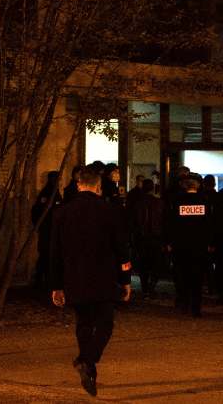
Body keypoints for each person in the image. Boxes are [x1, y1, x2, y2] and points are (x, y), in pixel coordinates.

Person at [50, 168, 133, 396]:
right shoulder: (111, 211)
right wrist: (125, 279)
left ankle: (87, 365)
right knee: (105, 324)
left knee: (83, 322)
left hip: (74, 277)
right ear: (98, 187)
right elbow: (122, 248)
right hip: (104, 278)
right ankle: (88, 360)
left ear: (78, 185)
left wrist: (56, 285)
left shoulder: (62, 212)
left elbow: (54, 252)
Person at [166, 174, 213, 316]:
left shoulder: (177, 201)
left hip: (181, 244)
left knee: (183, 275)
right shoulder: (204, 202)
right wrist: (210, 243)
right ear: (198, 186)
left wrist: (169, 242)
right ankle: (196, 308)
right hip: (199, 245)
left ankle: (184, 304)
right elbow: (209, 225)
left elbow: (170, 224)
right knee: (197, 277)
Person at [129, 177, 164, 296]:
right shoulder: (159, 203)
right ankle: (152, 286)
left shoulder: (137, 204)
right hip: (156, 237)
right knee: (155, 264)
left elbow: (134, 222)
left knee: (143, 264)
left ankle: (144, 287)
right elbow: (163, 221)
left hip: (142, 238)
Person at [31, 171, 63, 291]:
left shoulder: (53, 192)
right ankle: (41, 282)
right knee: (45, 256)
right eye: (57, 179)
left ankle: (43, 281)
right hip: (48, 231)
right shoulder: (47, 193)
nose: (59, 182)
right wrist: (39, 226)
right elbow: (38, 211)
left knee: (46, 256)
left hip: (50, 230)